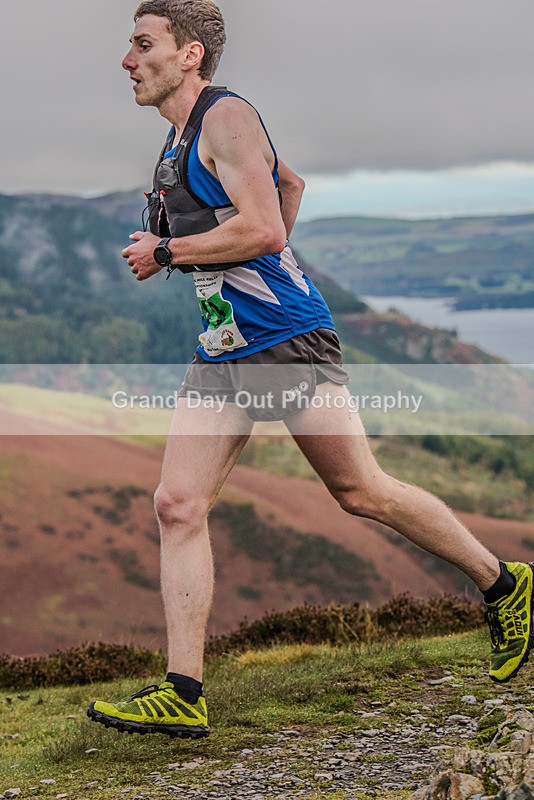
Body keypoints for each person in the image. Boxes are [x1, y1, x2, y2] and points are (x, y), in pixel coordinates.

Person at [88, 0, 533, 739]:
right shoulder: (178, 139)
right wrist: (208, 250)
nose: (127, 60)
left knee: (360, 491)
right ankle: (184, 691)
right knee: (176, 504)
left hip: (285, 340)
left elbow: (264, 225)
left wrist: (170, 253)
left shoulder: (227, 118)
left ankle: (505, 583)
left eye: (142, 44)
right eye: (129, 45)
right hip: (225, 349)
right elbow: (288, 186)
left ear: (191, 53)